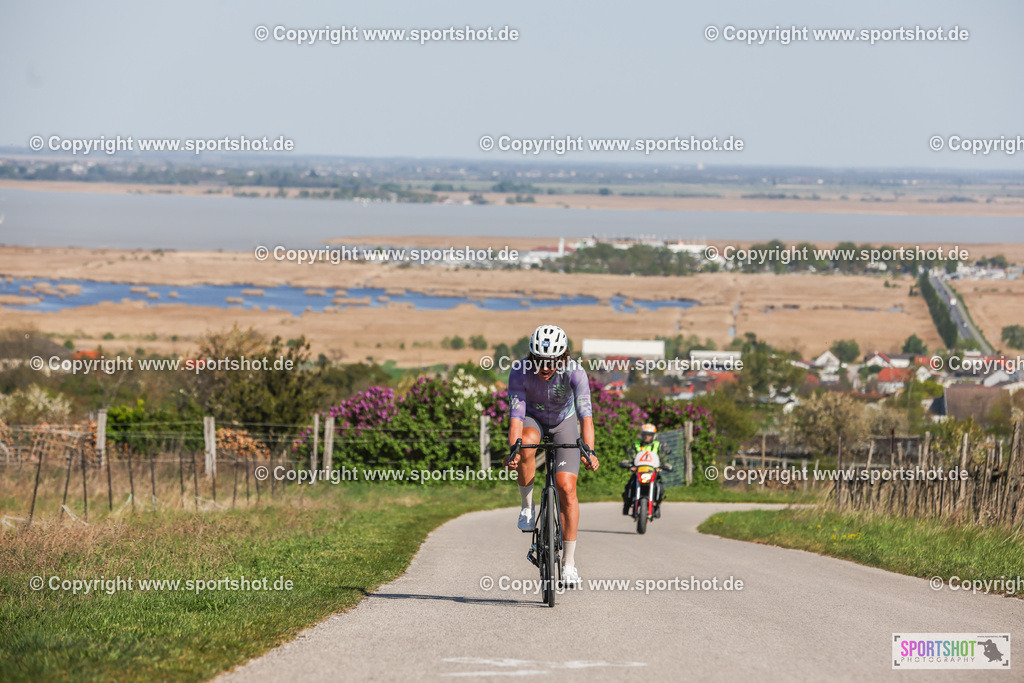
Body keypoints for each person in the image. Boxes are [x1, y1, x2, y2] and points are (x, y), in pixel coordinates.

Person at [506, 324, 599, 587]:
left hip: (564, 423)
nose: (545, 367)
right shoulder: (519, 372)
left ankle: (569, 564)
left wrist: (589, 450)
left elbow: (586, 417)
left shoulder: (575, 372)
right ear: (531, 357)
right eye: (539, 360)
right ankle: (527, 506)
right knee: (526, 445)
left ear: (562, 357)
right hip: (533, 420)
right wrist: (513, 449)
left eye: (552, 361)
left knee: (566, 488)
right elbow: (516, 418)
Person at [621, 423, 668, 517]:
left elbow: (663, 458)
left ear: (653, 436)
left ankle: (657, 505)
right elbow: (631, 456)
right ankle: (627, 504)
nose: (647, 437)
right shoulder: (636, 445)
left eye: (649, 435)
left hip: (653, 472)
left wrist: (665, 465)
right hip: (638, 471)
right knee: (629, 486)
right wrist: (628, 463)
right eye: (644, 434)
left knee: (660, 488)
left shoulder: (658, 446)